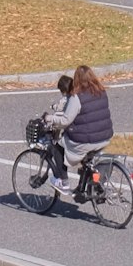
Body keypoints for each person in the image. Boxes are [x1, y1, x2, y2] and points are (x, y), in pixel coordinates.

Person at [45, 66, 114, 196]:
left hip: (87, 141)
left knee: (57, 145)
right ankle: (85, 184)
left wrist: (50, 118)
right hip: (104, 137)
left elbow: (66, 120)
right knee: (86, 155)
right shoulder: (101, 91)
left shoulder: (77, 97)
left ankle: (63, 182)